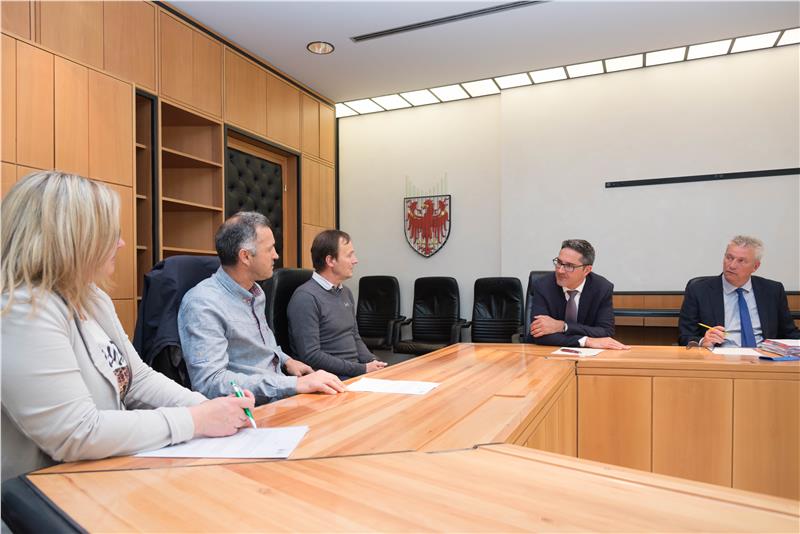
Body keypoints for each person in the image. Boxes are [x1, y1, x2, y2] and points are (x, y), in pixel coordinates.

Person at [1, 171, 256, 482]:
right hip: (43, 492)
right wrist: (194, 420)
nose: (121, 243)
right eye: (110, 233)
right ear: (72, 238)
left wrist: (212, 407)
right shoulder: (22, 309)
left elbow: (137, 379)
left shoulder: (92, 297)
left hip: (100, 473)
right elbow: (75, 432)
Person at [178, 212, 345, 405]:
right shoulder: (203, 303)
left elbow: (262, 345)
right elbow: (210, 383)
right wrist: (292, 384)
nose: (276, 255)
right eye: (270, 249)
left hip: (278, 396)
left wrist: (286, 360)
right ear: (246, 256)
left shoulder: (256, 292)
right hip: (251, 410)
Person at [287, 230, 386, 379]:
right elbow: (311, 355)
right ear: (330, 261)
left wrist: (373, 361)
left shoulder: (345, 292)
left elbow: (354, 336)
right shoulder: (305, 297)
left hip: (353, 373)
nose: (355, 260)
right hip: (330, 379)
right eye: (349, 255)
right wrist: (362, 369)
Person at [678, 235, 800, 347]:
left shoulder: (772, 290)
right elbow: (685, 336)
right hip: (720, 357)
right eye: (729, 257)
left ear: (755, 266)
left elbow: (790, 333)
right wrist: (703, 341)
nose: (731, 265)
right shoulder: (699, 290)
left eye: (741, 261)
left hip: (764, 357)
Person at [527, 239, 629, 349]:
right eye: (559, 262)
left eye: (569, 266)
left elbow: (605, 332)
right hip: (544, 351)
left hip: (588, 356)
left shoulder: (602, 288)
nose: (560, 270)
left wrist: (563, 326)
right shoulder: (543, 286)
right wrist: (585, 341)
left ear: (587, 270)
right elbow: (538, 333)